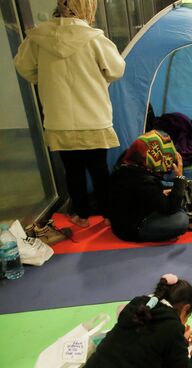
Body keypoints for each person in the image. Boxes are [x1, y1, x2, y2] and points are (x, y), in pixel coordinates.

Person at [14, 0, 125, 228]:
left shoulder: (37, 38)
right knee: (99, 169)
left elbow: (24, 67)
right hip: (93, 116)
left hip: (58, 118)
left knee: (72, 170)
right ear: (87, 8)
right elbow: (116, 69)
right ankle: (109, 215)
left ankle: (81, 215)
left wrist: (43, 78)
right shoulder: (94, 38)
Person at [85, 274, 192, 368]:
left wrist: (181, 341)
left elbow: (147, 344)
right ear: (186, 309)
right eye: (186, 317)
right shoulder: (173, 328)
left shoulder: (138, 304)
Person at [107, 130, 189, 242]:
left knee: (174, 197)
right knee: (182, 219)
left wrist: (160, 194)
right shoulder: (143, 180)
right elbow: (171, 208)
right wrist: (180, 177)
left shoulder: (127, 162)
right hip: (132, 229)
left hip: (124, 219)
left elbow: (138, 195)